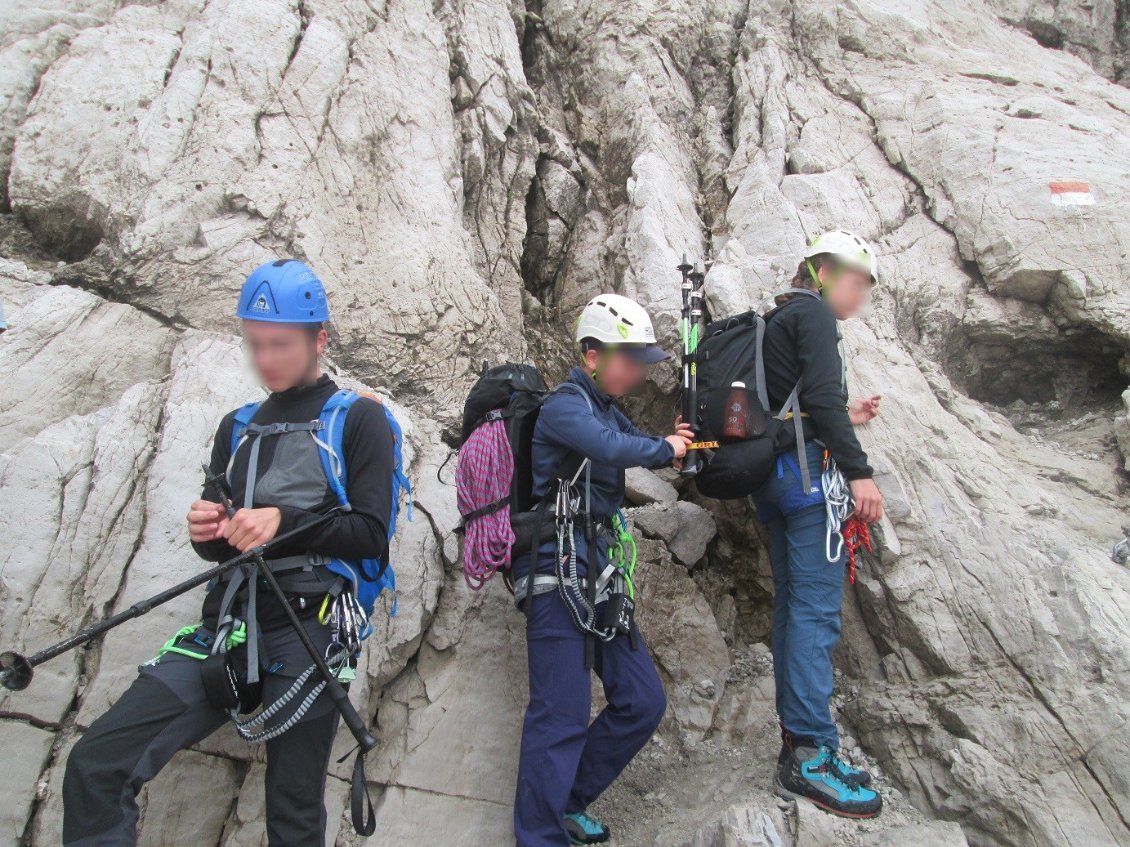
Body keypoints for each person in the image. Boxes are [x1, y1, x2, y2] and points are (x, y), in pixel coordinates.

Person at [61, 260, 394, 847]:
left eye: (280, 344)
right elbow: (220, 549)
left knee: (293, 814)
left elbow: (370, 534)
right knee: (98, 763)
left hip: (310, 632)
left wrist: (283, 521)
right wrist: (207, 531)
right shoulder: (236, 427)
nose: (266, 359)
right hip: (230, 626)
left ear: (319, 339)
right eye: (254, 344)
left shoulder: (359, 418)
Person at [512, 293, 693, 847]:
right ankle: (539, 838)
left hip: (598, 573)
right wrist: (663, 447)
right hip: (555, 572)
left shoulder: (609, 410)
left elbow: (623, 442)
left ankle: (567, 802)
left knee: (642, 699)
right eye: (629, 358)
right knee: (560, 715)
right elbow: (609, 447)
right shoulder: (565, 406)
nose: (638, 370)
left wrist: (676, 444)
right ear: (592, 355)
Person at [756, 230, 885, 818]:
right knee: (814, 612)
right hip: (808, 484)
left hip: (775, 480)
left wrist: (842, 416)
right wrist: (860, 473)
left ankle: (797, 749)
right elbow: (824, 398)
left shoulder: (780, 318)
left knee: (794, 608)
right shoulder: (814, 316)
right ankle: (811, 754)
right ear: (824, 271)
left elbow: (797, 405)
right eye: (857, 281)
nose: (860, 295)